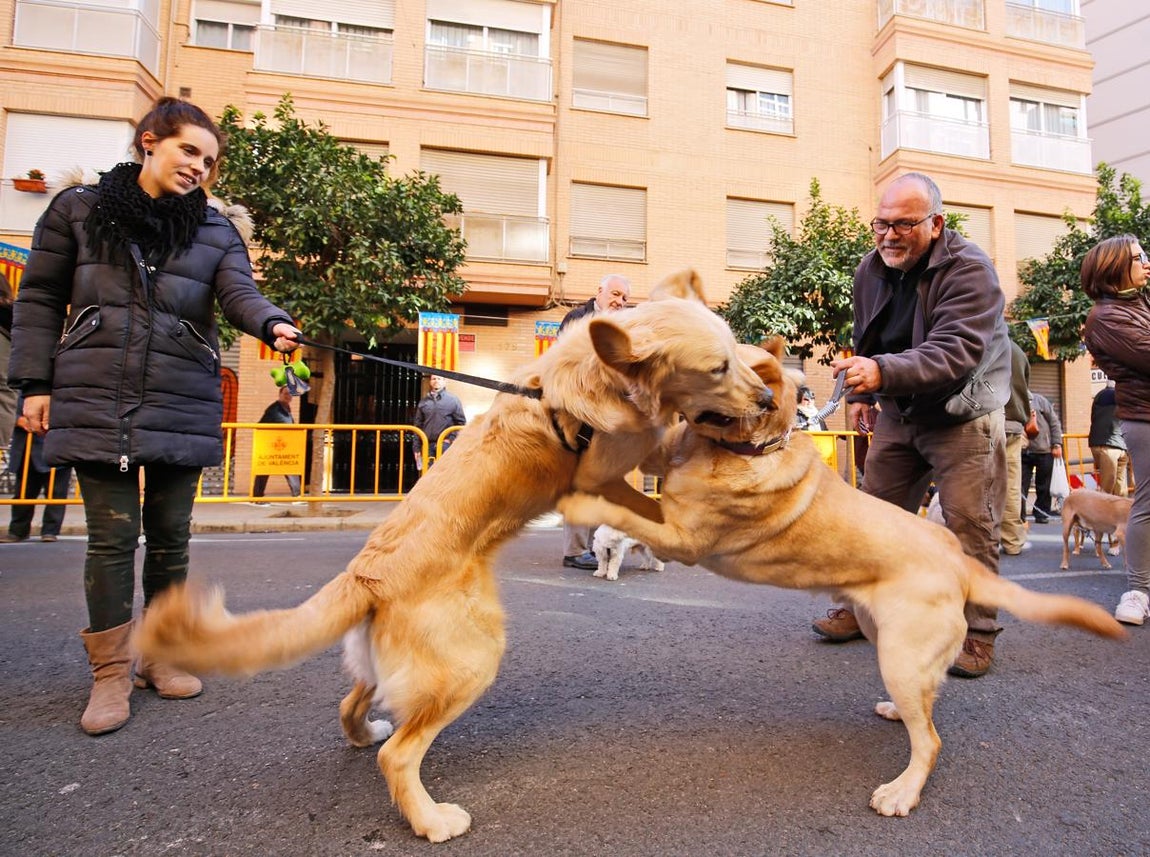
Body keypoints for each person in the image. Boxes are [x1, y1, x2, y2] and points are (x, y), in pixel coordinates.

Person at [7, 97, 301, 735]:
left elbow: (239, 294)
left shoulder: (216, 231)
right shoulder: (78, 211)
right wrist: (33, 382)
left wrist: (272, 322)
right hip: (94, 389)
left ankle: (162, 656)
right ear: (149, 141)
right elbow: (39, 297)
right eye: (188, 150)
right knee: (112, 539)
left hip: (179, 395)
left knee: (171, 537)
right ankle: (111, 672)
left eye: (210, 160)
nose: (199, 167)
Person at [812, 172, 1011, 678]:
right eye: (881, 223)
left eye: (904, 224)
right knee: (871, 518)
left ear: (937, 223)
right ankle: (861, 611)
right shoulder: (870, 269)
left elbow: (955, 351)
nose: (888, 235)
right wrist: (861, 392)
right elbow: (867, 336)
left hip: (961, 413)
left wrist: (881, 372)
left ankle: (978, 633)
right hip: (901, 411)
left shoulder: (971, 270)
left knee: (970, 524)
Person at [1081, 233, 1150, 625]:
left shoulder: (1138, 304)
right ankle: (1137, 590)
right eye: (1138, 257)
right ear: (1114, 267)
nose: (1146, 262)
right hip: (1144, 417)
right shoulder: (1106, 317)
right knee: (1147, 503)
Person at [559, 273, 631, 570]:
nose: (619, 301)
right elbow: (565, 360)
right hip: (579, 413)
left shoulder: (624, 325)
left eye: (625, 298)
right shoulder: (577, 319)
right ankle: (575, 551)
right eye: (615, 294)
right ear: (599, 290)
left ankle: (597, 546)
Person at [1, 393, 72, 542]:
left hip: (57, 451)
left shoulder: (64, 390)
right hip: (26, 452)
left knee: (56, 494)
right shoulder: (18, 390)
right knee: (23, 494)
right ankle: (17, 531)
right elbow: (6, 409)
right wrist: (18, 420)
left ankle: (50, 531)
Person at [1000, 340, 1032, 555]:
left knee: (980, 483)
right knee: (1012, 486)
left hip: (990, 419)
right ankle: (1012, 542)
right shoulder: (1019, 351)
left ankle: (985, 540)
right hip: (1015, 424)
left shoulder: (984, 342)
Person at [251, 385, 302, 502]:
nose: (288, 396)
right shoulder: (275, 409)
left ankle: (297, 494)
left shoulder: (286, 408)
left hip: (280, 444)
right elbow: (285, 425)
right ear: (280, 395)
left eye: (290, 394)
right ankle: (257, 497)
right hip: (270, 443)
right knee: (265, 469)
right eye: (285, 393)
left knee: (289, 467)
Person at [1020, 390, 1062, 524]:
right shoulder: (1014, 401)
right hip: (1022, 450)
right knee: (1020, 485)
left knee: (1044, 485)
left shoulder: (1040, 401)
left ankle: (1041, 513)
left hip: (1044, 449)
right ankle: (1020, 515)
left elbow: (1054, 422)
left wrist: (1056, 443)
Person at [412, 374, 467, 470]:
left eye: (439, 378)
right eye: (433, 379)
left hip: (445, 446)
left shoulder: (453, 400)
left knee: (444, 474)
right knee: (427, 475)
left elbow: (461, 423)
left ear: (445, 381)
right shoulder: (423, 402)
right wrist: (416, 447)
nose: (436, 381)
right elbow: (418, 426)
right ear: (430, 382)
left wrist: (450, 439)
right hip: (427, 445)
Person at [1089, 382, 1128, 497]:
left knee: (1111, 485)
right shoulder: (1112, 395)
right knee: (1115, 485)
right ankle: (1109, 512)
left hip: (1109, 444)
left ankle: (1115, 511)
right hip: (1113, 443)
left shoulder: (1100, 396)